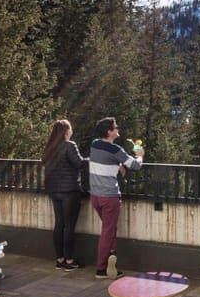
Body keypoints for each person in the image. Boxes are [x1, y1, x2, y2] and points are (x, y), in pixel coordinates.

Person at [89, 116, 144, 279]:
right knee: (107, 231)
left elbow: (102, 160)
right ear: (109, 132)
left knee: (110, 229)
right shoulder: (115, 150)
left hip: (95, 196)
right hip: (109, 197)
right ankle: (101, 268)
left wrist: (117, 165)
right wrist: (140, 155)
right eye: (116, 127)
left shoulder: (94, 145)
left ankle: (111, 263)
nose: (118, 129)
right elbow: (135, 165)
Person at [41, 119, 85, 271]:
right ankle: (69, 260)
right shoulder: (69, 145)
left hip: (53, 190)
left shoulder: (49, 148)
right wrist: (91, 160)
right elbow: (79, 163)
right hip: (69, 191)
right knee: (69, 226)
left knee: (59, 223)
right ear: (67, 131)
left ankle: (59, 259)